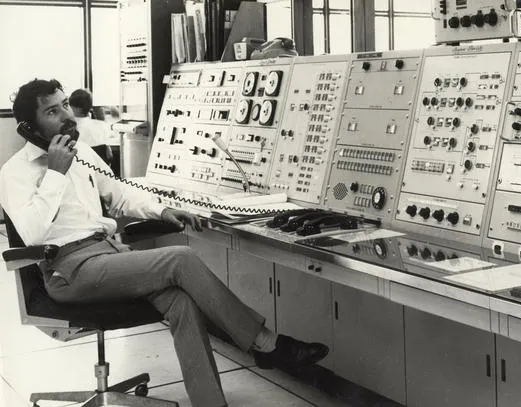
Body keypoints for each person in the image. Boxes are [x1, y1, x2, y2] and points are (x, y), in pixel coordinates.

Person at [0, 78, 328, 407]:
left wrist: (163, 209)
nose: (66, 116)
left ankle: (211, 403)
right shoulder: (14, 173)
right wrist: (56, 173)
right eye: (52, 111)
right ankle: (267, 344)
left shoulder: (81, 152)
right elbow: (33, 235)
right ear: (29, 127)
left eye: (65, 105)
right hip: (69, 270)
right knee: (180, 258)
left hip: (109, 254)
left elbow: (121, 194)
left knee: (180, 301)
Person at [68, 88, 113, 165]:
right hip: (101, 168)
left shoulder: (71, 129)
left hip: (81, 168)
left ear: (76, 108)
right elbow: (109, 155)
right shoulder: (102, 125)